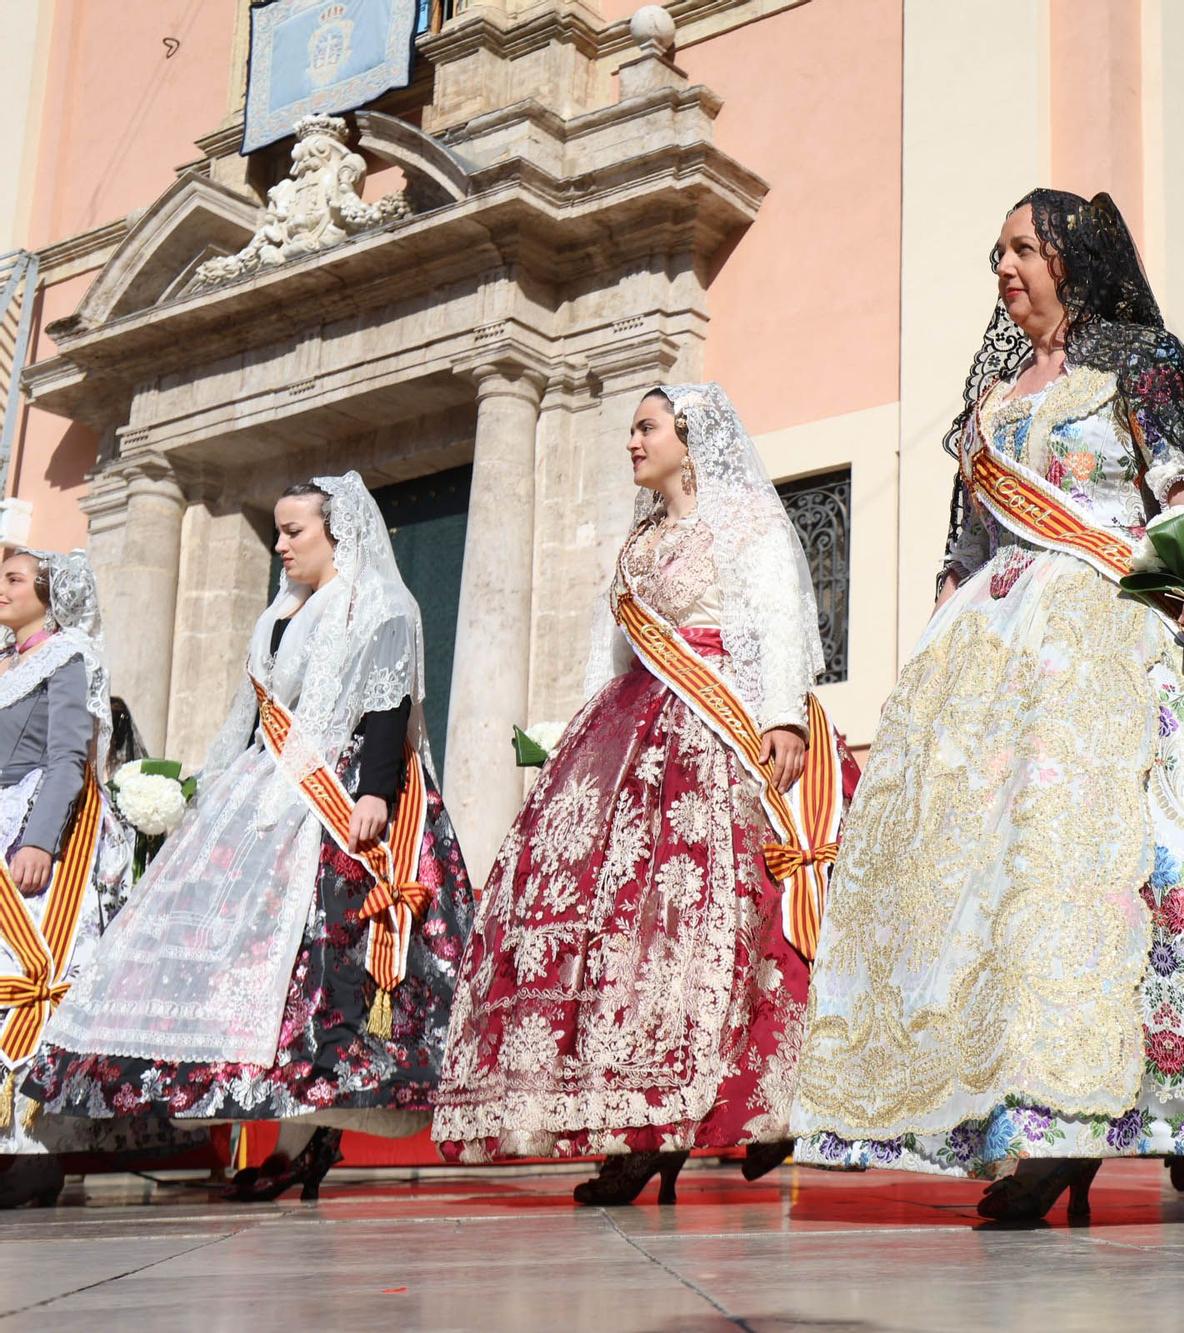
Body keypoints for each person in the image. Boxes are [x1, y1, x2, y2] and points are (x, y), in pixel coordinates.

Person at [789, 190, 1184, 1223]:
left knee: (1092, 866)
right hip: (988, 647)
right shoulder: (982, 409)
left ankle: (1121, 1115)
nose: (1005, 268)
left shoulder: (1137, 364)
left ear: (1073, 257)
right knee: (986, 883)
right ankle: (1024, 1112)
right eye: (998, 253)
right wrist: (922, 683)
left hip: (1102, 626)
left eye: (1024, 247)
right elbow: (960, 554)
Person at [433, 383, 858, 1206]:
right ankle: (640, 1125)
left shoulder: (745, 523)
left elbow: (775, 620)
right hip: (634, 735)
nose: (633, 441)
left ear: (690, 439)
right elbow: (613, 653)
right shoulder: (637, 543)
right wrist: (581, 757)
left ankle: (766, 1106)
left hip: (723, 727)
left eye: (646, 427)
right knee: (627, 932)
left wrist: (781, 718)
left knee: (728, 921)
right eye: (631, 428)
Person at [29, 474, 475, 1202]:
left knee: (320, 978)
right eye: (276, 529)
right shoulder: (280, 610)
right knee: (260, 967)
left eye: (294, 530)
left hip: (344, 795)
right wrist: (207, 793)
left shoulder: (383, 604)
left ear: (338, 531)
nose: (281, 544)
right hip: (269, 789)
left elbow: (389, 702)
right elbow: (254, 711)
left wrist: (372, 791)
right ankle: (293, 1136)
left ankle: (303, 1138)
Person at [0, 550, 178, 1207]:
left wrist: (40, 838)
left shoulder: (68, 655)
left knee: (29, 979)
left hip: (46, 833)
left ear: (49, 594)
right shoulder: (4, 660)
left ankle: (36, 1148)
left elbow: (68, 753)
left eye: (15, 579)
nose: (2, 588)